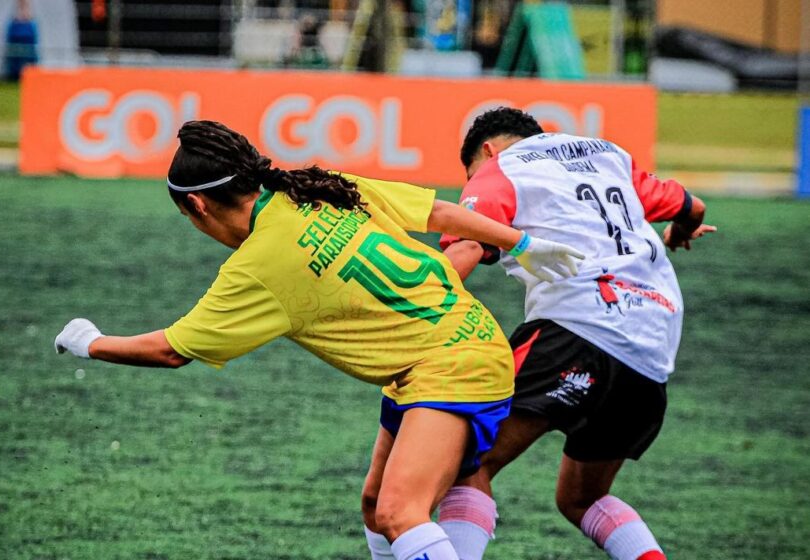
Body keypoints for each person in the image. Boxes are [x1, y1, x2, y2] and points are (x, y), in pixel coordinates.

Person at [54, 120, 584, 560]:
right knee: (378, 503)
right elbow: (438, 213)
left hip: (452, 366)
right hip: (443, 354)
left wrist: (90, 342)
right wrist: (524, 243)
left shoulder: (256, 266)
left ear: (197, 206)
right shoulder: (317, 185)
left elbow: (170, 350)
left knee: (401, 512)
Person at [435, 107, 715, 560]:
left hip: (576, 328)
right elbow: (692, 206)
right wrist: (679, 232)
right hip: (653, 346)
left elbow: (467, 244)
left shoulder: (502, 167)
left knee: (460, 463)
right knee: (581, 499)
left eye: (471, 173)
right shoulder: (608, 156)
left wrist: (407, 306)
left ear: (485, 151)